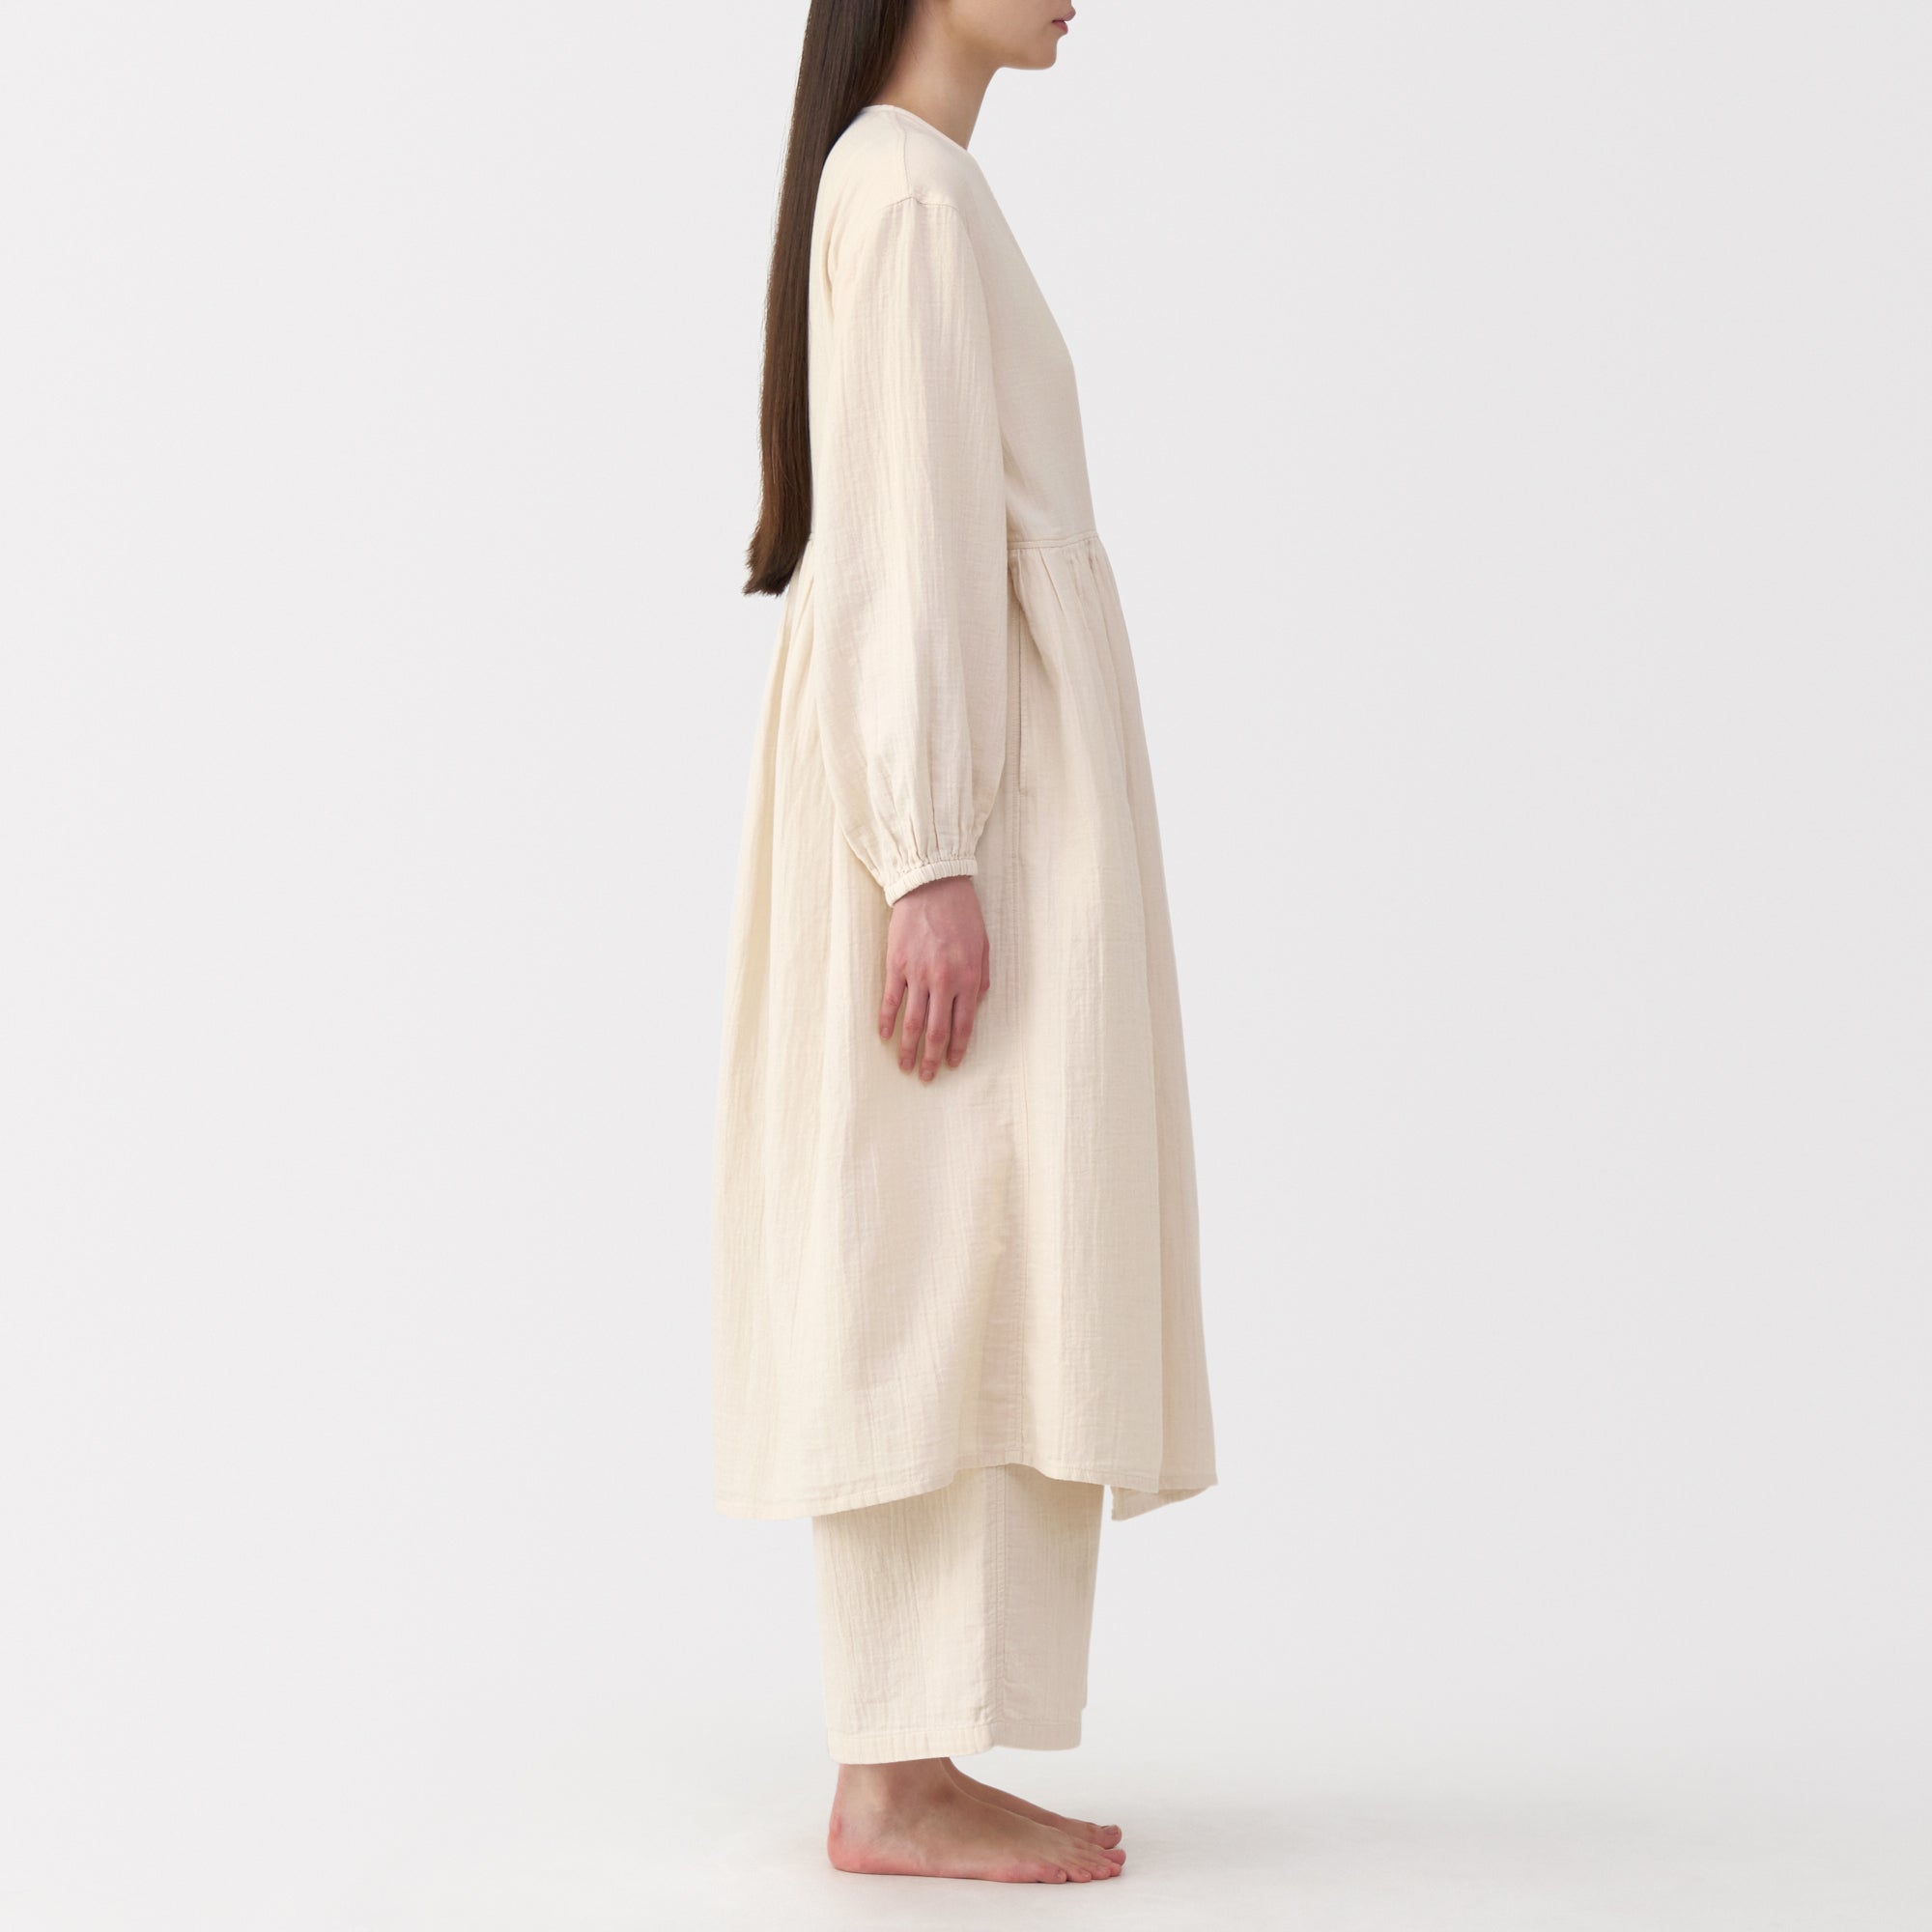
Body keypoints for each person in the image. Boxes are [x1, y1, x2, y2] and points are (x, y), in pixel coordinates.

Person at [713, 0, 1216, 1886]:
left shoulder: (908, 183)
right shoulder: (909, 190)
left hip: (987, 802)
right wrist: (925, 852)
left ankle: (912, 1759)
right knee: (943, 1259)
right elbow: (909, 541)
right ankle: (897, 1778)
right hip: (966, 818)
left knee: (971, 1257)